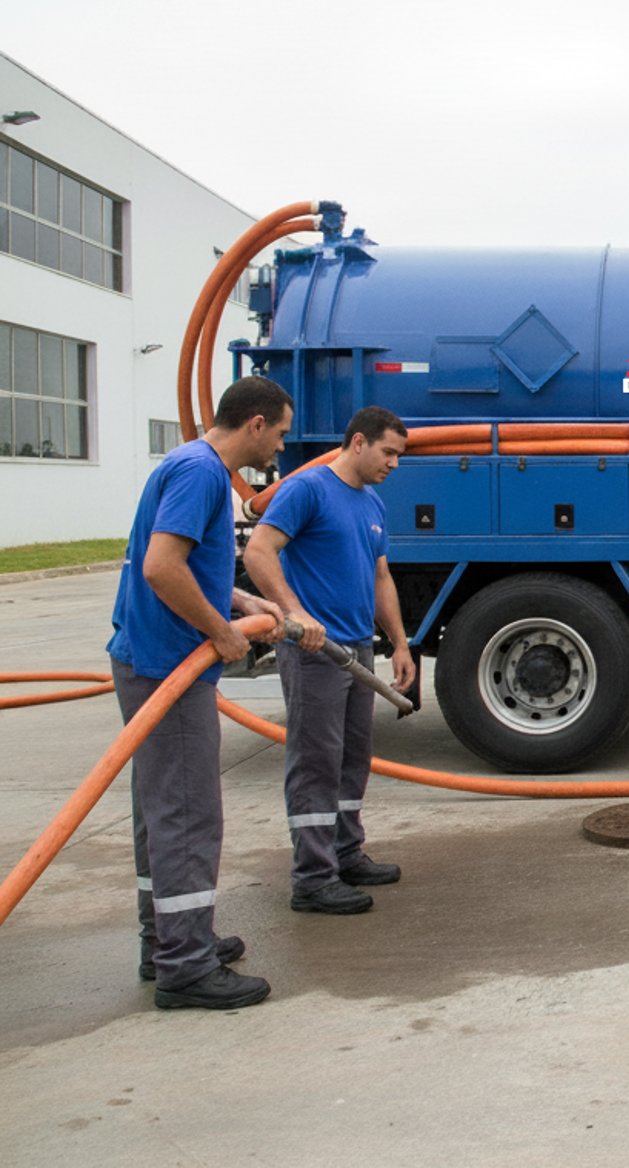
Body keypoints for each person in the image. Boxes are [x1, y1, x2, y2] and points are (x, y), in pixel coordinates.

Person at [106, 377, 291, 1010]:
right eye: (283, 433)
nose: (282, 448)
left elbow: (183, 561)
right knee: (186, 813)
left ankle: (167, 941)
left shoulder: (186, 463)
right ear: (257, 424)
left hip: (151, 658)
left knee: (160, 809)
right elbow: (160, 567)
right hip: (168, 664)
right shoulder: (205, 473)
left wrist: (241, 600)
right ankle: (185, 966)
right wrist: (222, 632)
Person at [244, 406, 415, 916]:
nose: (394, 464)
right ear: (358, 442)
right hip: (316, 651)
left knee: (351, 759)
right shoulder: (308, 489)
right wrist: (294, 613)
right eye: (388, 453)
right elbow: (259, 551)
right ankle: (313, 878)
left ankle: (344, 852)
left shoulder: (372, 504)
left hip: (358, 650)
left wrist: (400, 644)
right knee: (315, 762)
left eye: (399, 456)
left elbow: (380, 577)